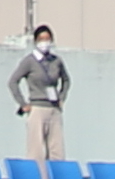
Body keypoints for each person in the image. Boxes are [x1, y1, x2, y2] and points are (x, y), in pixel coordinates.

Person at [8, 26, 70, 164]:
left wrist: (62, 97)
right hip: (37, 107)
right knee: (35, 151)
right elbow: (13, 82)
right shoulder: (29, 61)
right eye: (41, 39)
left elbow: (66, 80)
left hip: (53, 108)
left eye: (47, 39)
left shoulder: (56, 61)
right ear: (35, 41)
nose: (45, 42)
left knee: (57, 151)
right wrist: (23, 104)